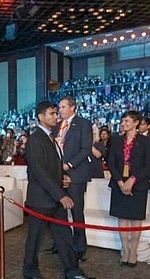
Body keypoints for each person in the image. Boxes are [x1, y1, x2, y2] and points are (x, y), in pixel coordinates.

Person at [22, 100, 96, 279]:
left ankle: (73, 272)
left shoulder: (50, 137)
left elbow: (51, 167)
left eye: (57, 113)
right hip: (42, 199)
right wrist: (61, 195)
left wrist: (63, 177)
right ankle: (30, 270)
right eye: (52, 114)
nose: (56, 116)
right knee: (35, 237)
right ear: (41, 117)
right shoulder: (36, 138)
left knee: (64, 236)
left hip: (54, 197)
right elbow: (39, 171)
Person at [107, 111, 150, 266]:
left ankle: (133, 251)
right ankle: (125, 250)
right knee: (123, 218)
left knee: (135, 219)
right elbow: (111, 163)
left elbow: (149, 165)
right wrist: (120, 181)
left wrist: (132, 180)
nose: (123, 123)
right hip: (119, 183)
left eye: (127, 121)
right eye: (122, 121)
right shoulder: (116, 140)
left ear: (136, 123)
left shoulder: (145, 141)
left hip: (138, 185)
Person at [55, 96, 93, 261]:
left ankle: (80, 247)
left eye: (63, 107)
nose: (60, 110)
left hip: (76, 175)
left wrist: (69, 165)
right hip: (58, 173)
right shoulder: (57, 125)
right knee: (58, 211)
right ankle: (61, 244)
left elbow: (85, 149)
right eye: (59, 107)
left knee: (77, 212)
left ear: (72, 108)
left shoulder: (83, 124)